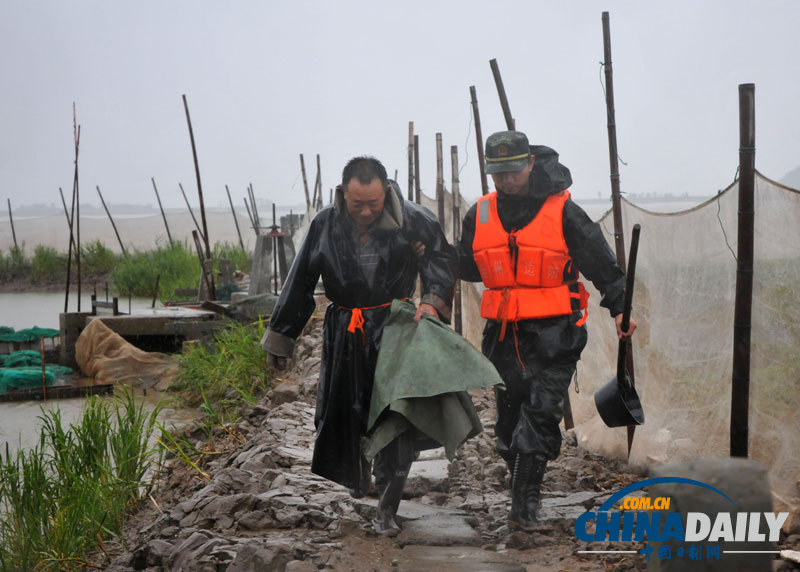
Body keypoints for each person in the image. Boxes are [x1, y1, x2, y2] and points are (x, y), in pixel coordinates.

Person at [261, 156, 455, 535]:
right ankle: (357, 474)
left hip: (396, 326)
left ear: (386, 192)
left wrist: (431, 300)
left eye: (374, 203)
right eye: (357, 204)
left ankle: (388, 507)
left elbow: (442, 261)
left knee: (397, 415)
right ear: (342, 194)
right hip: (345, 330)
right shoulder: (324, 224)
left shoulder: (415, 219)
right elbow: (300, 280)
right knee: (347, 412)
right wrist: (281, 338)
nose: (366, 212)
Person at [457, 131, 637, 530]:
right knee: (508, 418)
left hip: (557, 333)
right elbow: (468, 267)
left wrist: (620, 308)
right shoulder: (480, 213)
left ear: (531, 163)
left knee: (540, 413)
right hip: (503, 335)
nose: (507, 179)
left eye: (514, 170)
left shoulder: (563, 211)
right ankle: (522, 476)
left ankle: (525, 505)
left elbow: (602, 265)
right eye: (498, 173)